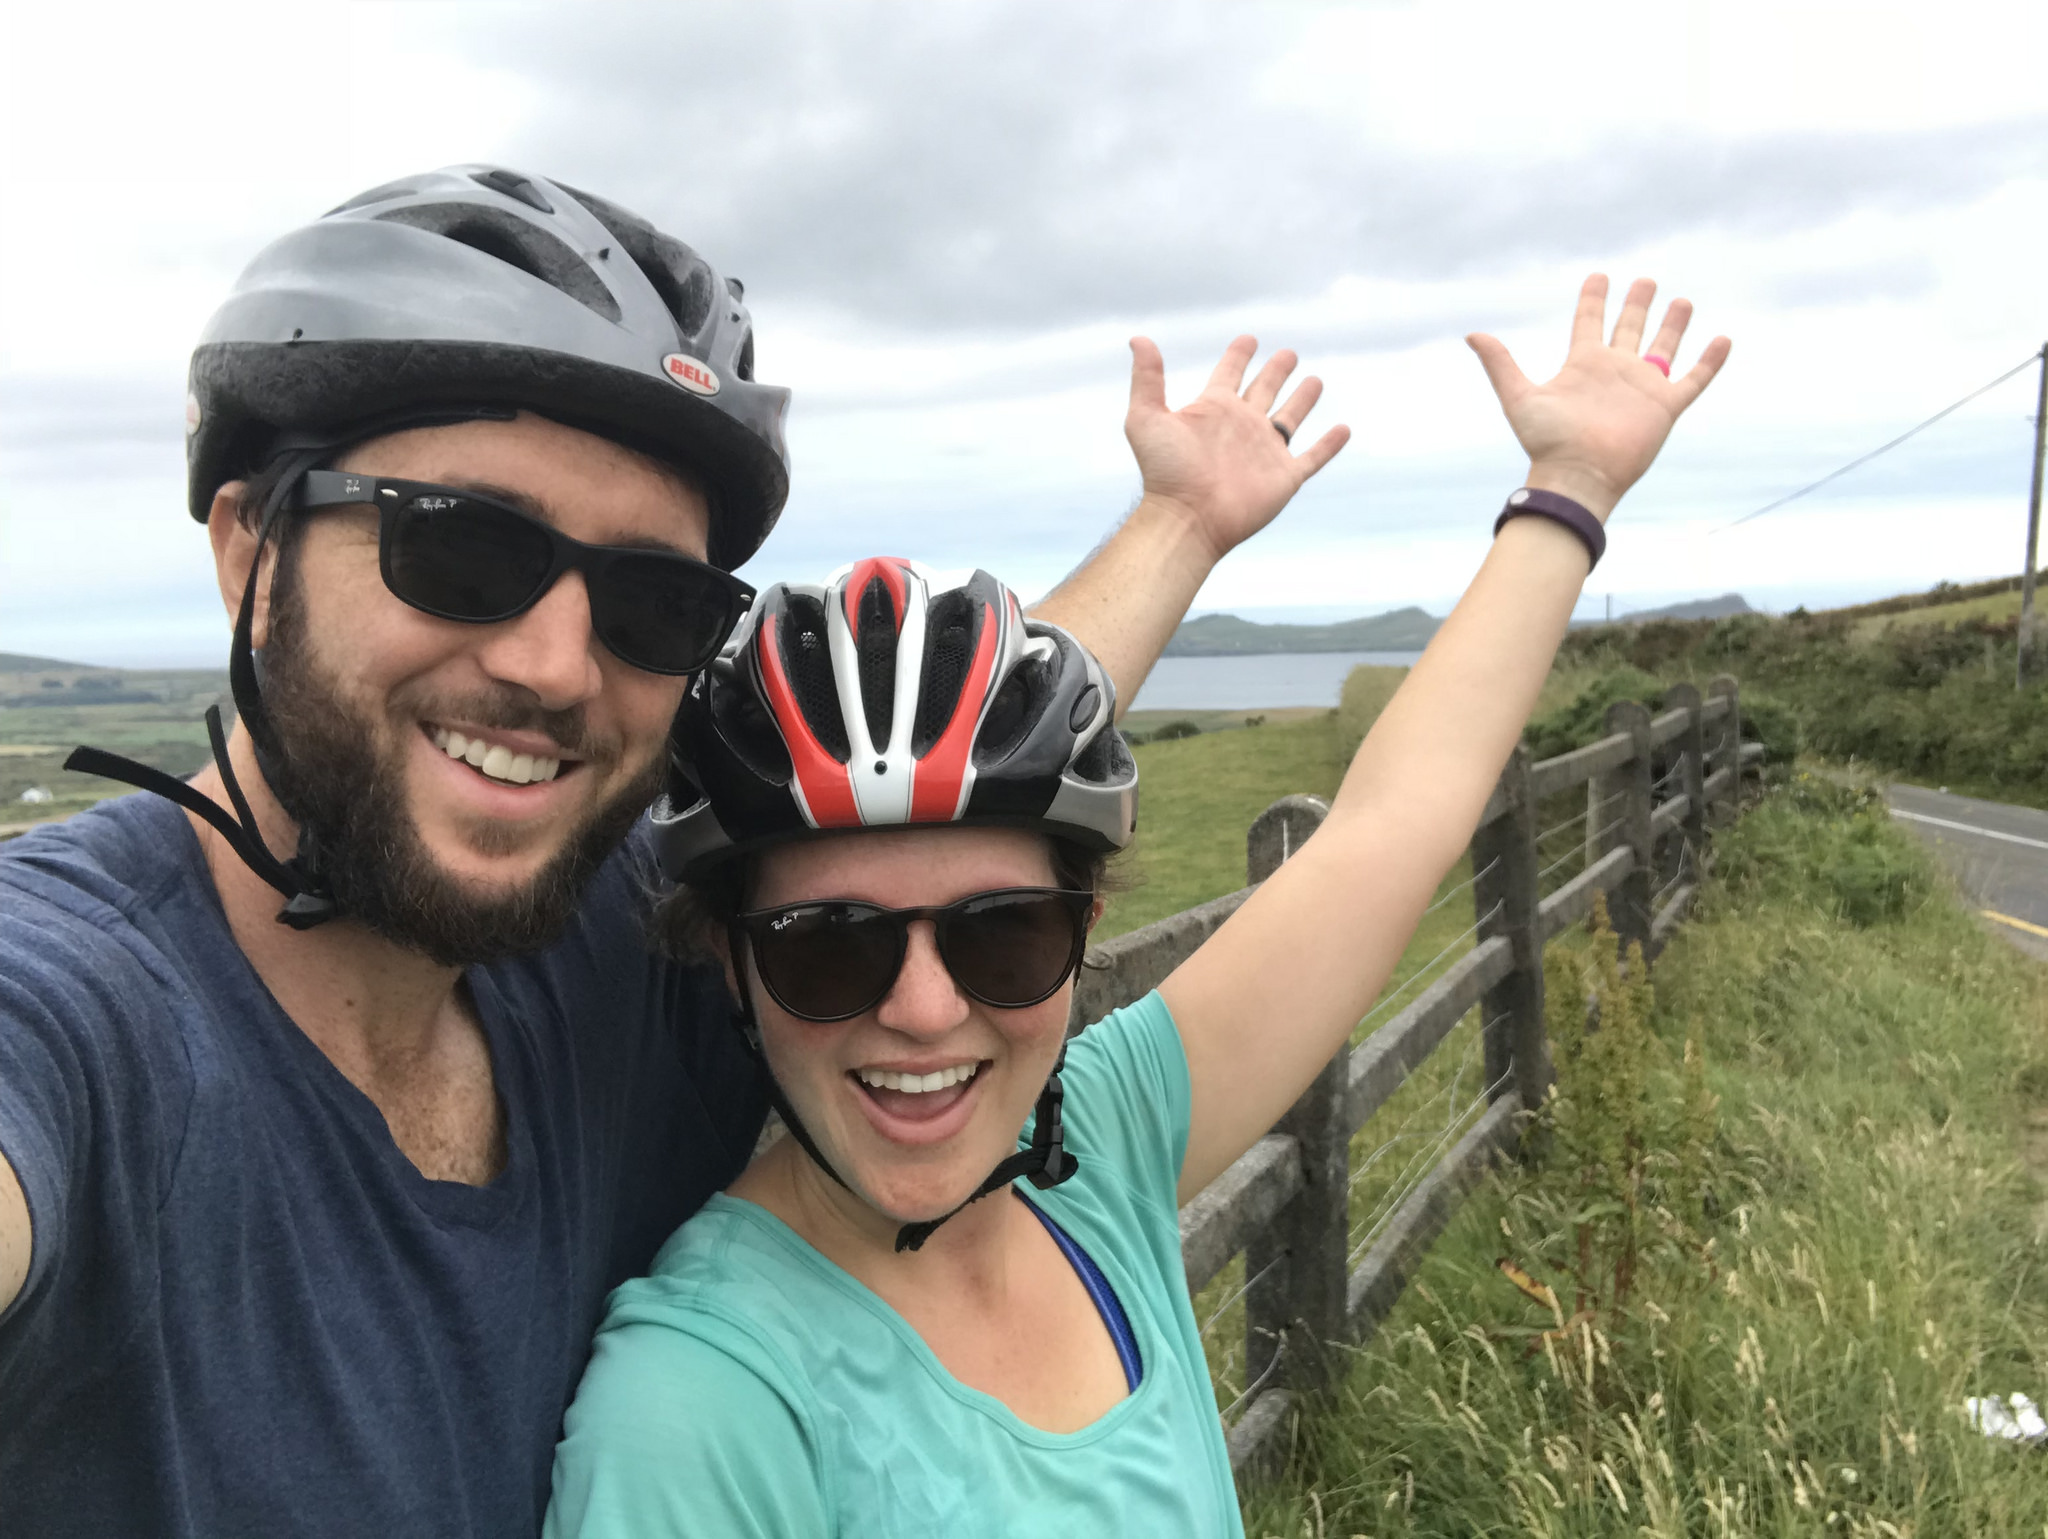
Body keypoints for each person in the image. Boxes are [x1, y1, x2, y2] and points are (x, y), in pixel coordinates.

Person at [0, 165, 1347, 1538]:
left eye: (654, 601)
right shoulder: (77, 1017)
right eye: (461, 550)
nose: (553, 664)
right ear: (250, 549)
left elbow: (908, 781)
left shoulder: (614, 949)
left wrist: (1181, 525)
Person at [543, 275, 1729, 1537]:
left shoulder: (1091, 1158)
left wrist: (1569, 491)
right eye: (829, 950)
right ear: (729, 967)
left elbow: (1388, 830)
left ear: (1080, 933)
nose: (925, 1010)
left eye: (1003, 934)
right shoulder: (700, 1408)